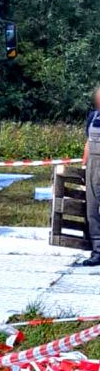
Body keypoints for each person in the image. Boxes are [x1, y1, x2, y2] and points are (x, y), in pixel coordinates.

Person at [82, 87, 100, 267]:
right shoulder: (93, 117)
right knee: (92, 210)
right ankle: (97, 252)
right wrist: (83, 166)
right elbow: (88, 143)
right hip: (93, 168)